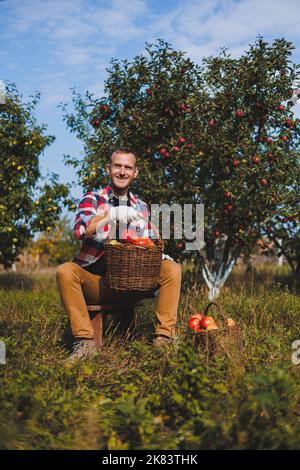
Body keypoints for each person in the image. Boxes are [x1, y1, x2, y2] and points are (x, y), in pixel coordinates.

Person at [56, 147, 182, 362]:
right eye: (118, 166)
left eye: (128, 167)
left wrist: (157, 254)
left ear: (135, 172)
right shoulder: (92, 199)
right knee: (65, 271)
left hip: (133, 284)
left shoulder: (141, 207)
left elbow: (148, 240)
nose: (122, 172)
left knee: (172, 268)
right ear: (109, 169)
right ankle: (85, 342)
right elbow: (80, 230)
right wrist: (110, 215)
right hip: (99, 285)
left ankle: (163, 339)